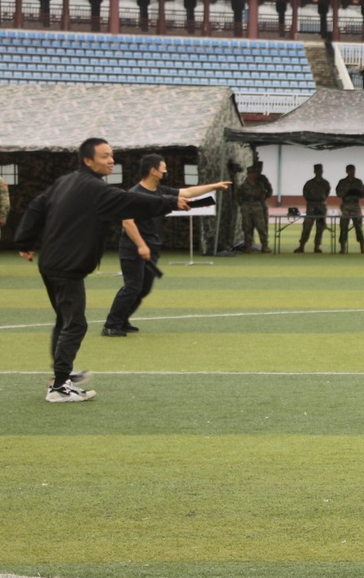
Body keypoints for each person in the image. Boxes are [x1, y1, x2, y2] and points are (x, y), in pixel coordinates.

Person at [12, 138, 225, 402]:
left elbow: (35, 206)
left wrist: (24, 242)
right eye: (104, 156)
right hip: (66, 267)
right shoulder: (93, 188)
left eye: (111, 155)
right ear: (88, 160)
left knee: (64, 320)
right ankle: (58, 387)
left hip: (52, 263)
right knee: (75, 324)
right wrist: (170, 203)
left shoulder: (67, 182)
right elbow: (131, 202)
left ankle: (62, 374)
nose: (111, 160)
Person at [103, 153, 181, 337]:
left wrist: (214, 186)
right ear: (153, 171)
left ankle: (123, 319)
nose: (166, 172)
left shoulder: (161, 191)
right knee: (132, 286)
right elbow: (127, 222)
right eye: (164, 169)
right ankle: (111, 325)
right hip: (133, 248)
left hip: (151, 248)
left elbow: (188, 193)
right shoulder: (133, 194)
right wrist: (141, 245)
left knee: (144, 287)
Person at [235, 163, 273, 253]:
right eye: (252, 173)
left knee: (261, 227)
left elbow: (265, 194)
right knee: (247, 227)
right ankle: (248, 246)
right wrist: (244, 204)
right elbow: (238, 196)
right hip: (246, 206)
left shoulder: (260, 184)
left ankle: (265, 245)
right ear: (248, 174)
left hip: (257, 206)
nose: (253, 175)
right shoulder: (243, 186)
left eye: (255, 173)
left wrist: (263, 197)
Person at [295, 164, 331, 253]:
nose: (319, 173)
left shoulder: (325, 183)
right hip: (311, 206)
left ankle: (317, 246)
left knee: (320, 227)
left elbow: (326, 193)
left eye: (320, 171)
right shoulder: (309, 183)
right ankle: (302, 245)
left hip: (321, 206)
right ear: (314, 172)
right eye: (317, 171)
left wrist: (320, 199)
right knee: (307, 227)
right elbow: (305, 193)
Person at [336, 165, 364, 254]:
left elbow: (363, 195)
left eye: (353, 171)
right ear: (347, 171)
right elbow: (338, 193)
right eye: (350, 171)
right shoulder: (342, 182)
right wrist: (347, 191)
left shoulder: (358, 182)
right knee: (343, 227)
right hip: (345, 205)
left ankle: (362, 247)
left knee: (358, 227)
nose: (352, 173)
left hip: (356, 206)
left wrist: (362, 190)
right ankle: (343, 248)